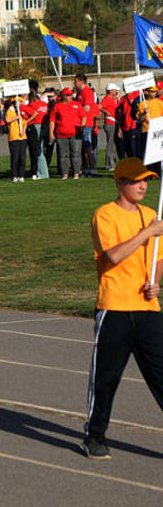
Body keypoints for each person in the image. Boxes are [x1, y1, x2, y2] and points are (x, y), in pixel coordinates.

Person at [82, 158, 163, 459]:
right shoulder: (105, 215)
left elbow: (158, 258)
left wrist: (155, 282)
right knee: (105, 379)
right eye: (135, 180)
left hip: (148, 309)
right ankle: (94, 435)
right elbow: (113, 255)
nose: (142, 185)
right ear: (119, 183)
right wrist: (147, 233)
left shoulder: (152, 215)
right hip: (114, 308)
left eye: (146, 180)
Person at [51, 88, 83, 180]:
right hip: (61, 134)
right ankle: (65, 174)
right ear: (64, 96)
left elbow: (83, 116)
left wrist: (83, 125)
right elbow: (52, 120)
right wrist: (51, 133)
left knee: (76, 154)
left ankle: (76, 173)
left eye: (71, 95)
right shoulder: (57, 106)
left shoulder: (77, 105)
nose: (70, 97)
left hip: (75, 133)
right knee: (63, 155)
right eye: (68, 95)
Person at [4, 97, 27, 182]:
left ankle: (21, 175)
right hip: (14, 137)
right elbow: (7, 120)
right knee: (15, 157)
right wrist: (16, 117)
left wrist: (23, 131)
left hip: (22, 137)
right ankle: (14, 175)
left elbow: (25, 122)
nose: (20, 104)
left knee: (22, 157)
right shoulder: (10, 111)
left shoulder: (21, 111)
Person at [101, 84, 121, 170]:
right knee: (110, 144)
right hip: (110, 122)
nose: (116, 91)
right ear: (110, 90)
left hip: (113, 122)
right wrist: (106, 112)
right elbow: (99, 107)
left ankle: (109, 163)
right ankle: (110, 164)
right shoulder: (107, 99)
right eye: (115, 90)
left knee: (111, 143)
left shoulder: (112, 99)